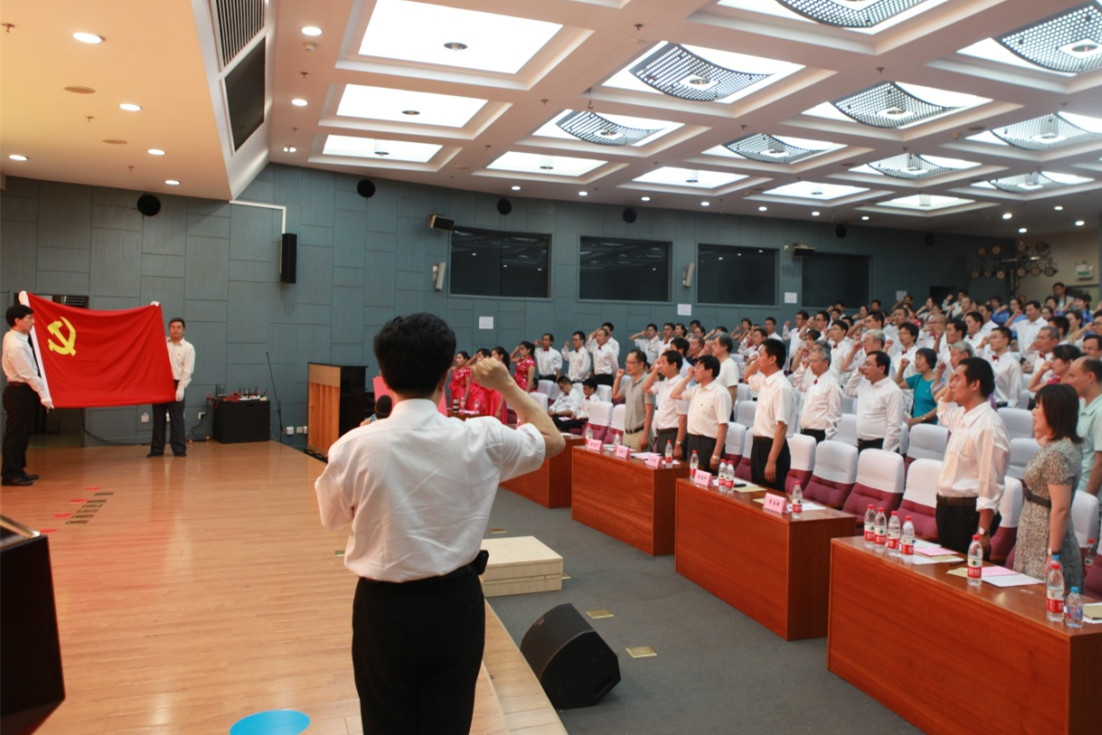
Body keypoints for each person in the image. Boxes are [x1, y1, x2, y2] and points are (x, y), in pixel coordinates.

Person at [315, 312, 564, 735]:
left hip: (382, 610)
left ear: (384, 376)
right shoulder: (482, 437)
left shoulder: (353, 446)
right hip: (455, 605)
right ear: (447, 374)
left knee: (383, 723)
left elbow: (332, 518)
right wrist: (507, 386)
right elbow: (553, 441)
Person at [934, 358, 1011, 555]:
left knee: (963, 570)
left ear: (975, 384)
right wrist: (952, 384)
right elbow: (943, 410)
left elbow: (990, 482)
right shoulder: (962, 414)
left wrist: (983, 531)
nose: (951, 384)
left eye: (957, 379)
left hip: (967, 513)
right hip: (946, 508)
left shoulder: (989, 425)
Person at [1014, 384, 1084, 590]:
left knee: (1039, 595)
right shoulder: (1060, 445)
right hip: (1033, 528)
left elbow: (1061, 508)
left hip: (1044, 534)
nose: (1033, 412)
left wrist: (1053, 554)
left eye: (1038, 407)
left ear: (1054, 412)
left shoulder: (1057, 454)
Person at [2, 304, 54, 486]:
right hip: (19, 392)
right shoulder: (16, 345)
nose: (33, 322)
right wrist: (45, 396)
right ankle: (11, 474)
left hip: (22, 391)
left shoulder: (15, 337)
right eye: (29, 318)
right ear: (17, 320)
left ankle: (18, 470)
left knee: (22, 434)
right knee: (16, 434)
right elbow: (29, 374)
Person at [743, 339, 795, 491]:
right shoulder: (765, 381)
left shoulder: (782, 387)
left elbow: (781, 427)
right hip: (759, 445)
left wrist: (771, 461)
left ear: (772, 359)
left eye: (761, 355)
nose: (758, 359)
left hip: (772, 448)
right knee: (756, 493)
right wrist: (756, 362)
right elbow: (746, 376)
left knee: (770, 495)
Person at [671, 355, 731, 475]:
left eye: (698, 367)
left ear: (709, 371)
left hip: (708, 444)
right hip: (692, 440)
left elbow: (723, 426)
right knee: (692, 478)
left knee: (705, 480)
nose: (695, 370)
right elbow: (674, 394)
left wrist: (716, 455)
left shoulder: (720, 392)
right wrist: (688, 377)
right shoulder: (696, 389)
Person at [149, 317, 195, 458]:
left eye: (178, 327)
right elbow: (149, 334)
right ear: (169, 329)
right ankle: (157, 449)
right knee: (158, 418)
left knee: (177, 418)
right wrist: (151, 313)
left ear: (183, 330)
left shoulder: (188, 348)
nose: (175, 330)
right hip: (160, 384)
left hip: (177, 384)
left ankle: (179, 449)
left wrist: (180, 388)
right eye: (173, 327)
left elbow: (187, 370)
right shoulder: (162, 343)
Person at [844, 350, 903, 452]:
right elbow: (848, 391)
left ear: (881, 368)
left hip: (880, 445)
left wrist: (885, 452)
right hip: (862, 442)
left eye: (869, 365)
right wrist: (857, 373)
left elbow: (894, 427)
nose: (864, 368)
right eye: (864, 364)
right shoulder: (866, 385)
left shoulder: (893, 391)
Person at [789, 342, 841, 443]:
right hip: (805, 430)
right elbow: (797, 384)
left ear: (825, 362)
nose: (811, 365)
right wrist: (803, 367)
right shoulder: (814, 381)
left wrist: (827, 438)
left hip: (819, 434)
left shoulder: (831, 384)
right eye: (810, 361)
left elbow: (834, 414)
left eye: (814, 361)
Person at [1067, 357, 1102, 499]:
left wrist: (1087, 500)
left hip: (1086, 493)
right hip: (1072, 486)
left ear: (1090, 377)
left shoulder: (1100, 412)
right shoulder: (1080, 403)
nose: (1069, 381)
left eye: (1072, 376)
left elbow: (1100, 463)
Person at [643, 350, 686, 455]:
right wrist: (655, 370)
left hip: (673, 434)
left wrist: (678, 444)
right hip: (661, 432)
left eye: (663, 362)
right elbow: (645, 387)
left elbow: (683, 417)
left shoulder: (681, 385)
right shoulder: (664, 383)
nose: (660, 365)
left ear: (673, 365)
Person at [611, 349, 654, 451]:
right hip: (627, 433)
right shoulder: (630, 381)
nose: (628, 366)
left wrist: (645, 435)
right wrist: (618, 378)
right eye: (627, 362)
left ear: (641, 364)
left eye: (631, 363)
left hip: (640, 433)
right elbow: (615, 395)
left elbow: (650, 412)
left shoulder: (648, 382)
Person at [895, 347, 940, 426]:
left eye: (920, 359)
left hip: (931, 425)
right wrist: (902, 368)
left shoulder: (939, 381)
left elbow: (940, 407)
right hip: (915, 424)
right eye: (916, 359)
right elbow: (896, 384)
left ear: (929, 361)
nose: (917, 362)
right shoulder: (917, 378)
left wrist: (921, 419)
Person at [984, 326, 1022, 408]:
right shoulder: (988, 359)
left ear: (1006, 340)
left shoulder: (1013, 364)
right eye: (990, 338)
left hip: (1002, 405)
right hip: (985, 403)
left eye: (994, 337)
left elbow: (1015, 393)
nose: (991, 341)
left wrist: (1009, 410)